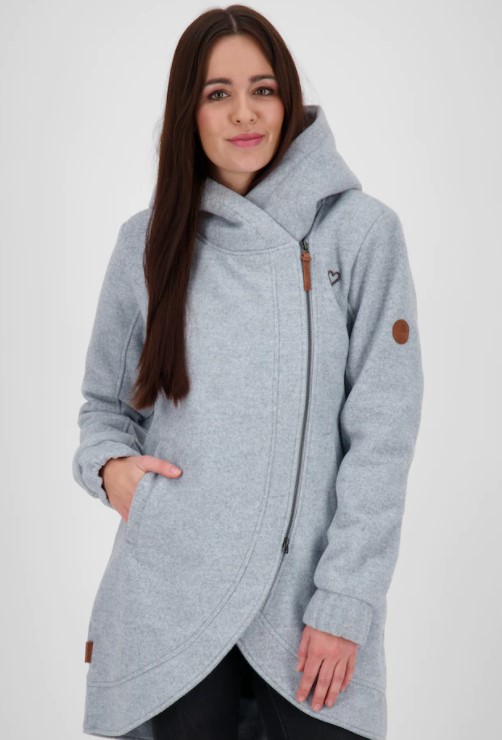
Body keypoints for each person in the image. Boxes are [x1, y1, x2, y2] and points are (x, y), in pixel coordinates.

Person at [72, 5, 424, 740]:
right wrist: (111, 472)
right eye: (217, 93)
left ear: (288, 98)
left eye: (263, 89)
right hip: (169, 593)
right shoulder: (147, 242)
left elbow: (383, 437)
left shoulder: (361, 233)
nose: (244, 113)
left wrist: (346, 601)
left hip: (306, 609)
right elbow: (104, 406)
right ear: (188, 112)